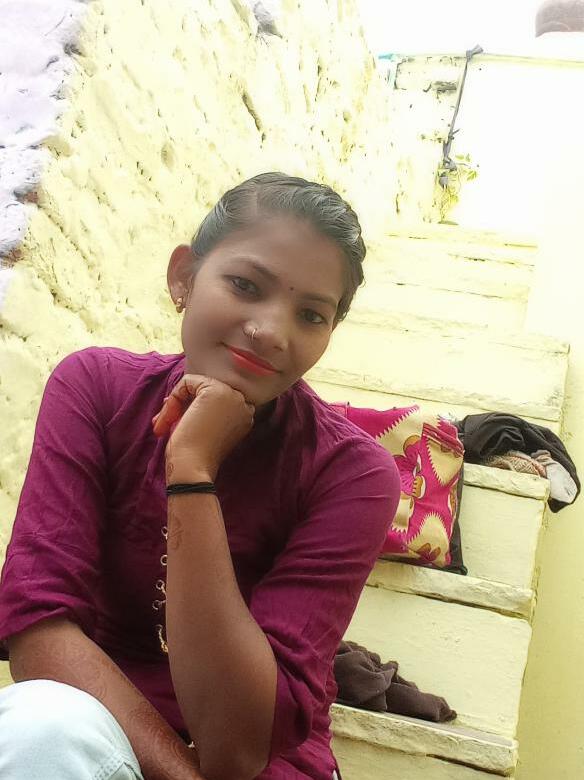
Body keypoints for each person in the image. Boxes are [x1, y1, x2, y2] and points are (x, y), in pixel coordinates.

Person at [0, 173, 400, 780]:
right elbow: (38, 628)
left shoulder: (351, 473)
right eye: (246, 285)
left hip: (263, 765)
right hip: (92, 730)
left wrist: (191, 472)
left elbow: (237, 748)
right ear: (183, 276)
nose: (271, 331)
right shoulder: (97, 390)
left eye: (311, 315)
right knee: (40, 725)